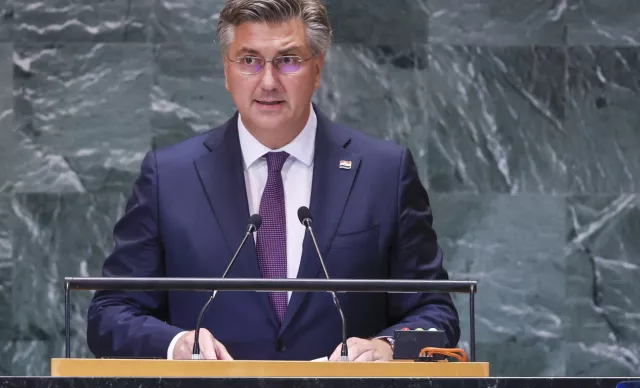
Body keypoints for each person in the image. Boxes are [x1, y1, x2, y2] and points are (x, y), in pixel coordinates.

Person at [87, 0, 459, 362]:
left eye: (289, 61)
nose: (268, 82)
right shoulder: (169, 177)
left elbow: (436, 314)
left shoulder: (384, 172)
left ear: (318, 69)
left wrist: (387, 347)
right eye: (249, 60)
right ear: (226, 70)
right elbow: (110, 314)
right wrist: (176, 344)